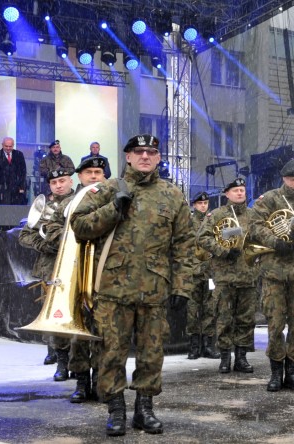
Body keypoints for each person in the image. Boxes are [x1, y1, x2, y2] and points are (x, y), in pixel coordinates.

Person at [70, 134, 194, 436]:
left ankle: (144, 409)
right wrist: (114, 209)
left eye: (151, 152)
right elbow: (79, 226)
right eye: (139, 151)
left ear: (158, 157)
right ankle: (116, 410)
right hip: (112, 290)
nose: (145, 157)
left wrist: (182, 286)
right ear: (127, 156)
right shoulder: (108, 189)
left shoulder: (172, 195)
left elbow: (185, 244)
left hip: (154, 289)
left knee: (152, 354)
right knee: (111, 352)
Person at [43, 157, 108, 403]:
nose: (94, 176)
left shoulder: (114, 201)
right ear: (79, 176)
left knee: (103, 332)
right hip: (76, 273)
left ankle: (102, 379)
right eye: (89, 172)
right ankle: (81, 382)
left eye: (98, 172)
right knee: (79, 331)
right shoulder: (69, 204)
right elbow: (52, 229)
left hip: (105, 274)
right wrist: (73, 237)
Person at [251, 159, 294, 392]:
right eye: (291, 179)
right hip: (274, 271)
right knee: (275, 323)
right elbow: (255, 226)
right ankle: (276, 372)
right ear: (283, 178)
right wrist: (275, 241)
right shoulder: (269, 199)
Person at [196, 178, 258, 374]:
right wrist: (223, 250)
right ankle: (224, 357)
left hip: (248, 275)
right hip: (225, 277)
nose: (240, 193)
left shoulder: (253, 215)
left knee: (246, 319)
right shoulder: (216, 215)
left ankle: (241, 357)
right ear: (227, 194)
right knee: (224, 318)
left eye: (242, 190)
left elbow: (261, 236)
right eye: (236, 190)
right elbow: (202, 238)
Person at [18, 169, 74, 379]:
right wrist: (43, 245)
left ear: (71, 181)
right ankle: (60, 361)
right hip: (50, 268)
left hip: (75, 265)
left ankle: (79, 365)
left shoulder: (80, 202)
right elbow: (24, 235)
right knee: (55, 316)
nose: (58, 185)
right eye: (53, 182)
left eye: (62, 181)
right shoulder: (45, 207)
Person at [187, 191, 220, 360]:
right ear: (194, 204)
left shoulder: (212, 221)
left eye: (205, 203)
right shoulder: (188, 222)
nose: (203, 206)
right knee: (193, 310)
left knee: (209, 308)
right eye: (200, 203)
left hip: (209, 271)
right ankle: (193, 346)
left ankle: (207, 345)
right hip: (193, 271)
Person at [0, 136, 27, 205]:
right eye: (6, 146)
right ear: (2, 145)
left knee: (15, 211)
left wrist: (22, 186)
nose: (8, 148)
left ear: (13, 145)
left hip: (16, 189)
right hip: (1, 189)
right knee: (2, 211)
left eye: (10, 146)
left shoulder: (19, 155)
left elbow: (23, 172)